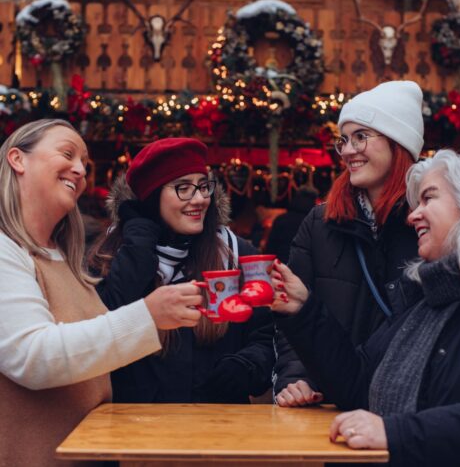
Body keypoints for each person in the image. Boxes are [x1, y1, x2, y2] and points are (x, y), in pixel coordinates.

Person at [272, 150, 460, 467]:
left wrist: (395, 433)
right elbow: (357, 381)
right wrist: (302, 309)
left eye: (428, 199)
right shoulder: (423, 303)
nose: (413, 215)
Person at [0, 119, 204, 467]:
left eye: (84, 162)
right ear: (18, 160)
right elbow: (31, 356)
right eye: (67, 154)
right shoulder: (6, 251)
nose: (79, 169)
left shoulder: (62, 257)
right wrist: (147, 316)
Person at [88, 137, 275, 404]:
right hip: (133, 430)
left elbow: (268, 334)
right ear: (153, 198)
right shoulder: (109, 255)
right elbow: (98, 334)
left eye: (203, 186)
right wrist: (139, 244)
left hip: (220, 428)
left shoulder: (235, 252)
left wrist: (249, 364)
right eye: (183, 188)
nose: (199, 199)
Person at [274, 80, 424, 406]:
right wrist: (296, 379)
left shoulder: (427, 224)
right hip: (326, 398)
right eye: (344, 140)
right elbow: (292, 313)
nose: (348, 150)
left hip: (402, 404)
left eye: (361, 137)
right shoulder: (319, 223)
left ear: (398, 144)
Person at [265, 186, 318, 263]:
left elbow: (270, 248)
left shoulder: (281, 219)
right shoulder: (315, 222)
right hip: (305, 268)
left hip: (281, 266)